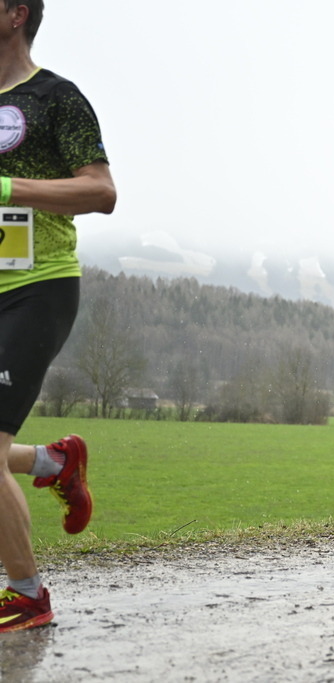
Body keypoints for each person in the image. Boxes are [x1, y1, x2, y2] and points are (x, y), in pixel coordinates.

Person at [0, 0, 116, 631]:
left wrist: (8, 188)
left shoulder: (55, 98)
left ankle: (27, 596)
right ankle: (54, 462)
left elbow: (101, 191)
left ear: (18, 13)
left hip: (37, 287)